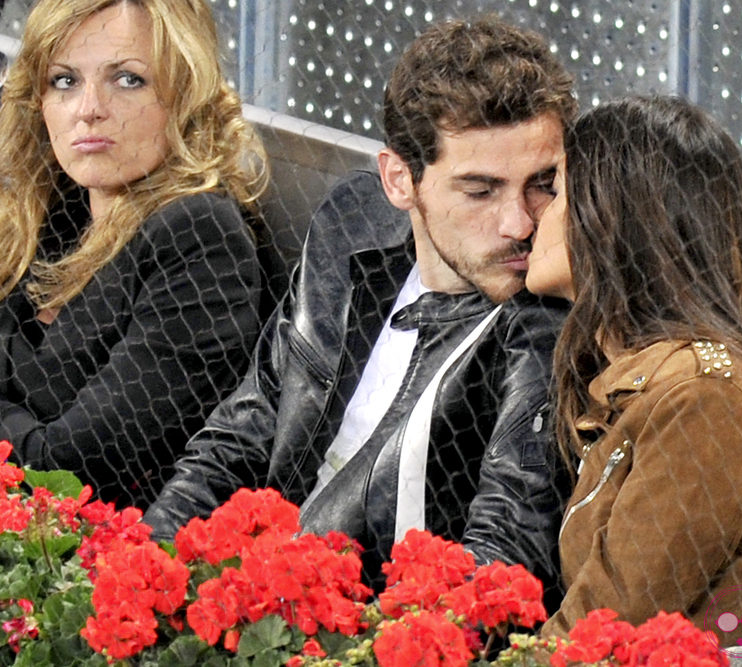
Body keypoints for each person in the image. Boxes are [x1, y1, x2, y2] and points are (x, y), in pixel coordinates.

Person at [143, 16, 578, 599]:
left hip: (368, 626)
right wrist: (147, 571)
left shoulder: (545, 318)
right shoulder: (351, 226)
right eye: (480, 190)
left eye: (543, 183)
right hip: (252, 596)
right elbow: (241, 434)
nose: (520, 223)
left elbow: (505, 558)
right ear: (400, 181)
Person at [526, 95, 742, 643]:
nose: (534, 216)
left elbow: (606, 631)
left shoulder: (707, 399)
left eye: (557, 193)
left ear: (610, 220)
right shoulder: (649, 378)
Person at [0, 0, 274, 509]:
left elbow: (67, 467)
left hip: (102, 560)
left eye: (127, 80)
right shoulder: (54, 210)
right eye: (64, 81)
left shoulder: (200, 235)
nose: (88, 109)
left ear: (184, 95)